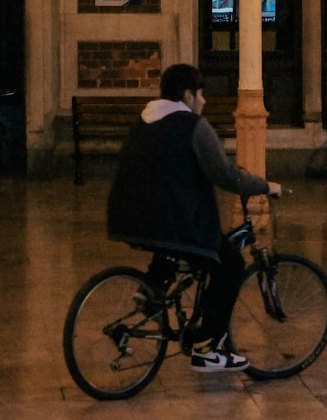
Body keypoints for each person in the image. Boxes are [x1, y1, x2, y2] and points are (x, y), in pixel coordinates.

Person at [106, 63, 281, 373]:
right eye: (201, 94)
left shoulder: (145, 119)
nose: (204, 101)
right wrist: (265, 186)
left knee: (176, 247)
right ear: (188, 94)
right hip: (170, 220)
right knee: (229, 264)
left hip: (129, 216)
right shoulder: (192, 125)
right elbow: (224, 175)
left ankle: (150, 289)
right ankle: (207, 348)